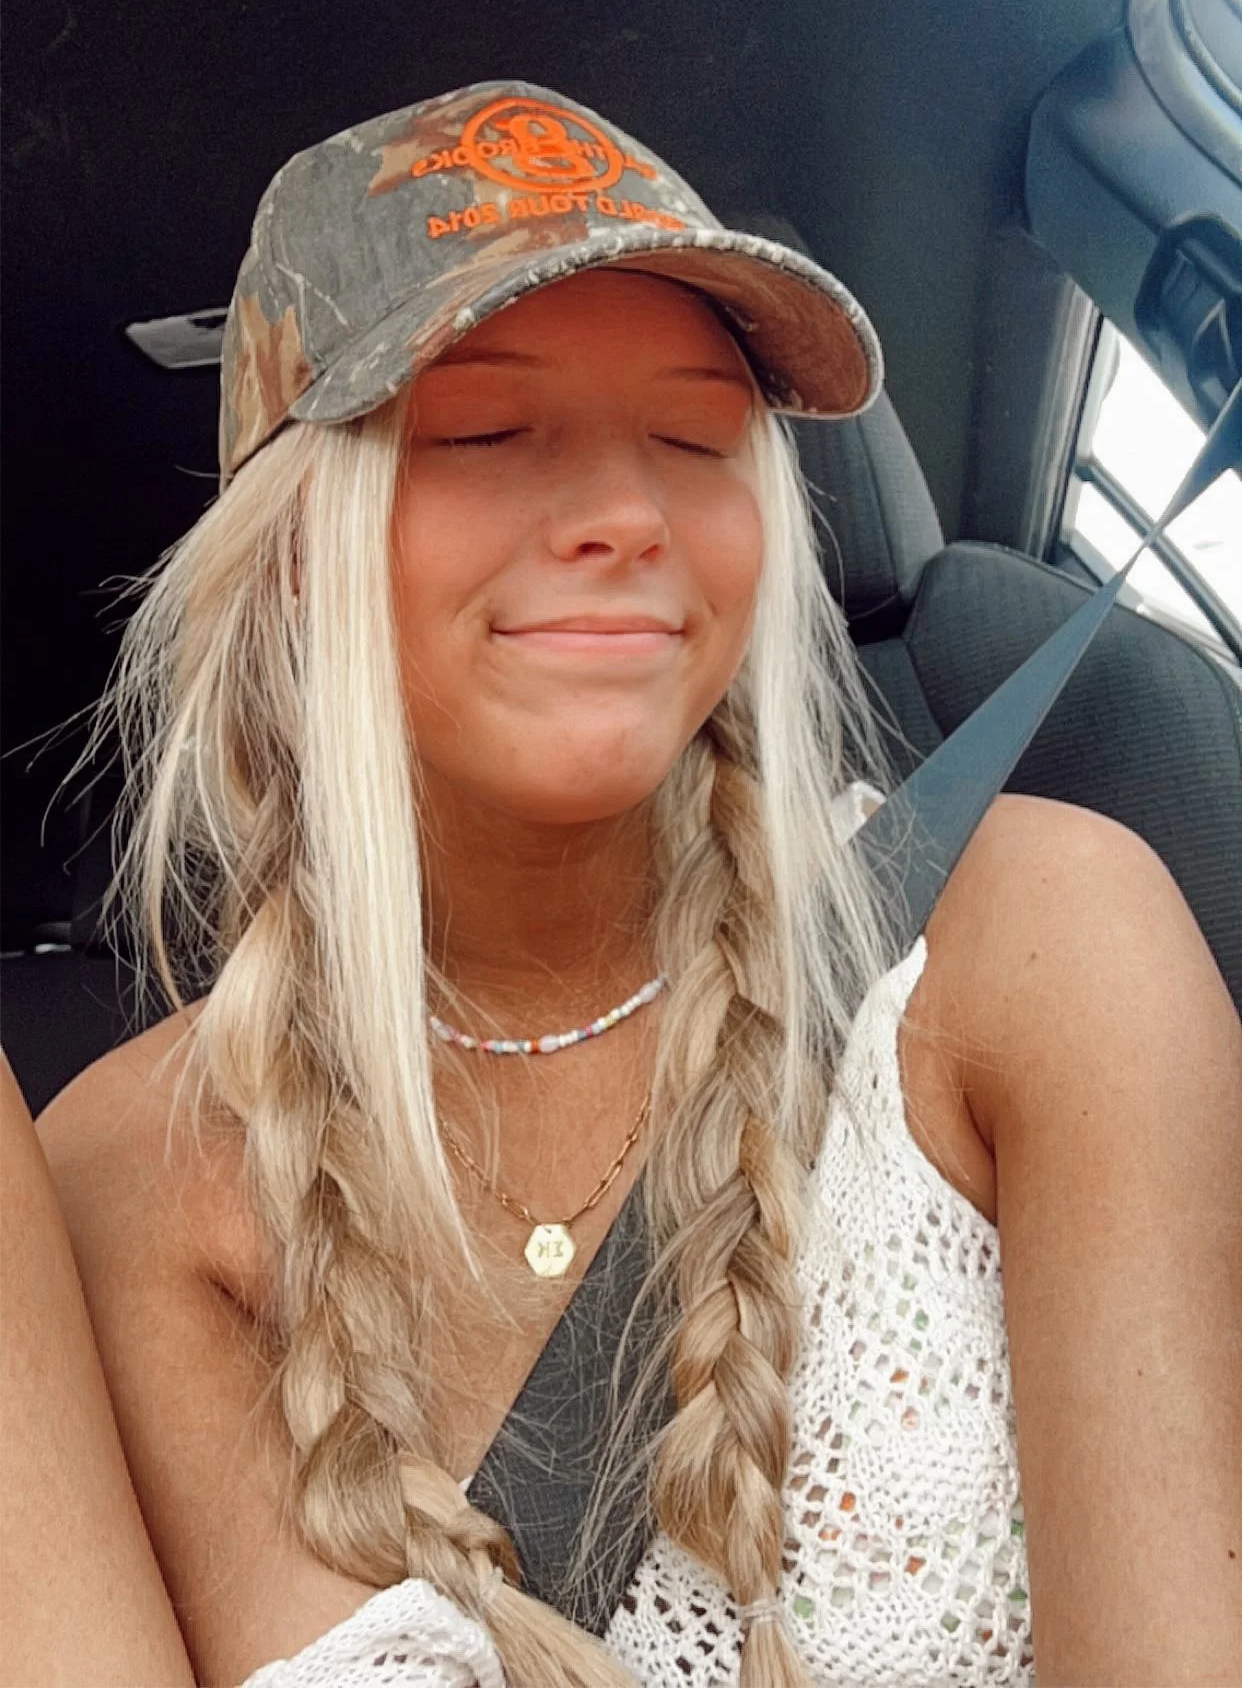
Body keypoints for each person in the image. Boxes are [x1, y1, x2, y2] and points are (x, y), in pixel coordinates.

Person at [7, 82, 1239, 1688]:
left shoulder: (1036, 943)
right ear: (297, 549)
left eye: (693, 436)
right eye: (484, 432)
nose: (621, 513)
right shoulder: (116, 1182)